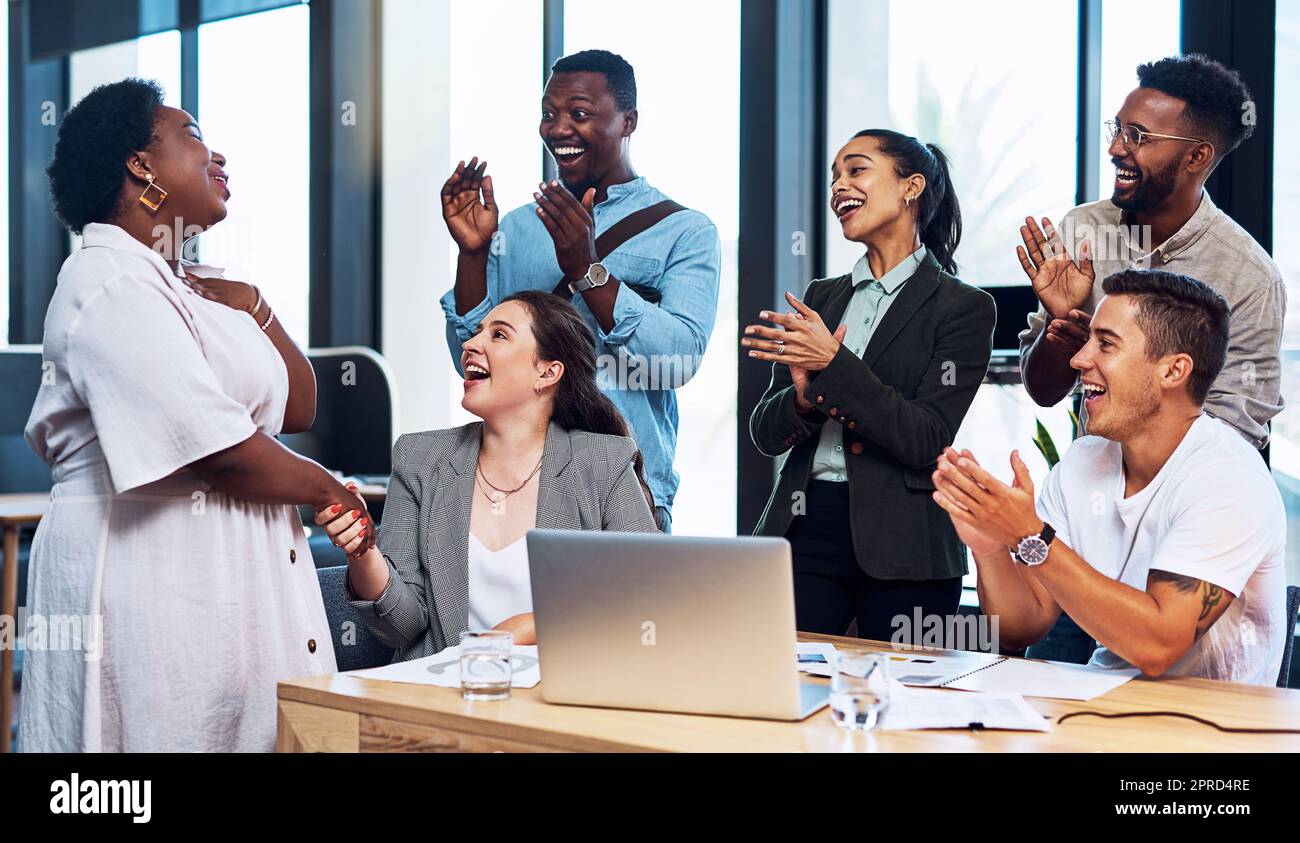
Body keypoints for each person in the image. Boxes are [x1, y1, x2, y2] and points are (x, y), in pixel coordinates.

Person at [21, 79, 373, 752]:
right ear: (139, 164)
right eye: (193, 135)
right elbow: (221, 452)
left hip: (232, 570)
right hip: (147, 565)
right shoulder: (108, 282)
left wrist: (256, 304)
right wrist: (327, 488)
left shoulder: (197, 280)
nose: (219, 156)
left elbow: (298, 405)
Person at [1015, 53, 1285, 663]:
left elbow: (1232, 436)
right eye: (1116, 128)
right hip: (1089, 519)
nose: (1116, 148)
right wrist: (1063, 327)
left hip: (1182, 533)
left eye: (1138, 137)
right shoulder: (1084, 229)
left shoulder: (1248, 277)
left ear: (1196, 157)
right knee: (1047, 690)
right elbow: (1044, 390)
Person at [936, 269, 1286, 685]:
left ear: (1173, 371)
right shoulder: (1083, 462)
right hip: (1099, 709)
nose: (1079, 359)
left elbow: (1157, 646)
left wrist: (1031, 535)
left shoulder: (1229, 478)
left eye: (1105, 344)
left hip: (1216, 731)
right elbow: (1022, 625)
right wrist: (992, 546)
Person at [438, 49, 721, 533]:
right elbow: (471, 360)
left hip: (625, 482)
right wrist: (473, 255)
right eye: (549, 114)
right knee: (512, 615)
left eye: (580, 113)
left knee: (619, 613)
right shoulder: (518, 227)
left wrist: (589, 271)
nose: (558, 128)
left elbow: (677, 360)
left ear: (628, 121)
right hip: (512, 481)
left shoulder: (686, 231)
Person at [746, 130, 996, 644]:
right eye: (834, 176)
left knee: (906, 704)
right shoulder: (822, 296)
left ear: (912, 187)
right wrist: (801, 398)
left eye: (856, 170)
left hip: (909, 542)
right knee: (776, 689)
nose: (839, 186)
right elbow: (766, 434)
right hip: (803, 528)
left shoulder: (964, 307)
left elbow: (924, 437)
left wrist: (833, 365)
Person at [320, 291, 658, 660]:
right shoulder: (419, 459)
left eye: (498, 335)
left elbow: (645, 597)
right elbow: (402, 626)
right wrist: (363, 551)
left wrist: (528, 627)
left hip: (563, 698)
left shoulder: (602, 462)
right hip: (446, 698)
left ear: (547, 372)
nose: (470, 344)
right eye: (477, 332)